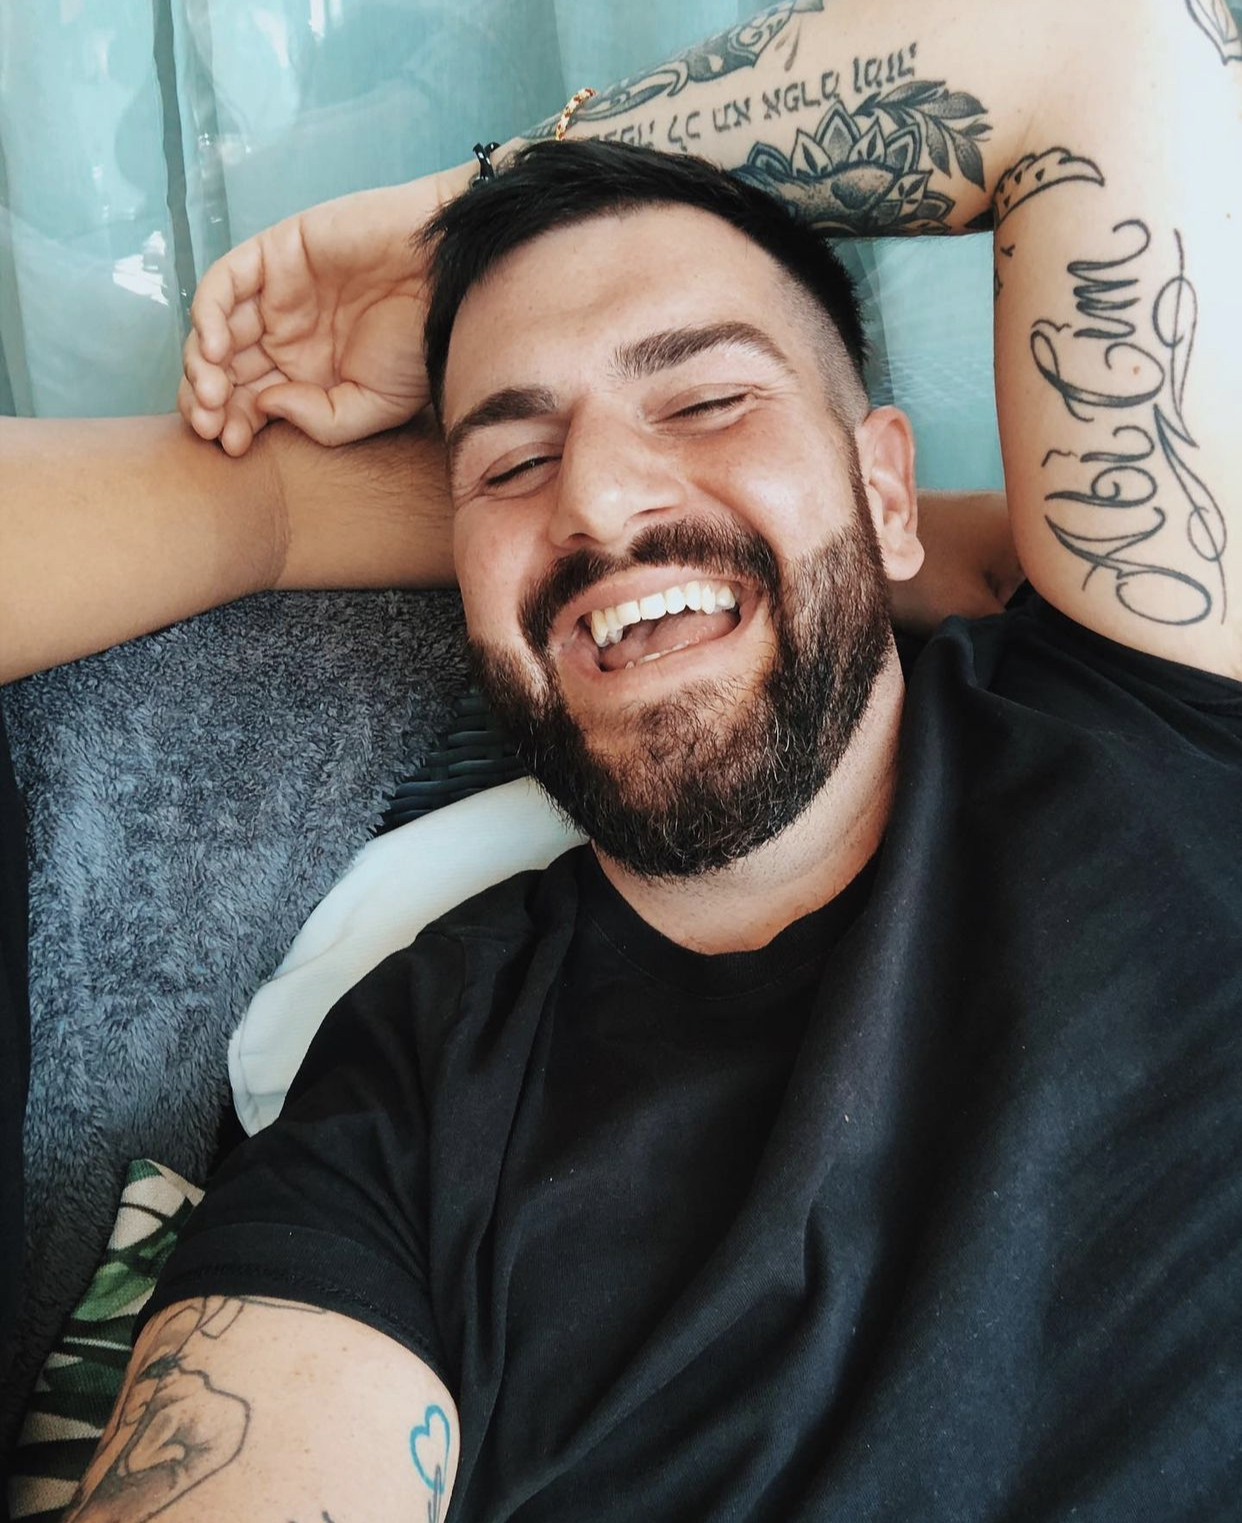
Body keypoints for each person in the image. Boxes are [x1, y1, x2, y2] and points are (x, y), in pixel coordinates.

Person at [34, 0, 1242, 1516]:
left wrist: (450, 217)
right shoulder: (411, 1091)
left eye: (708, 398)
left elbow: (1112, 42)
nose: (598, 499)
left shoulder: (1160, 691)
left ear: (885, 490)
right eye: (512, 460)